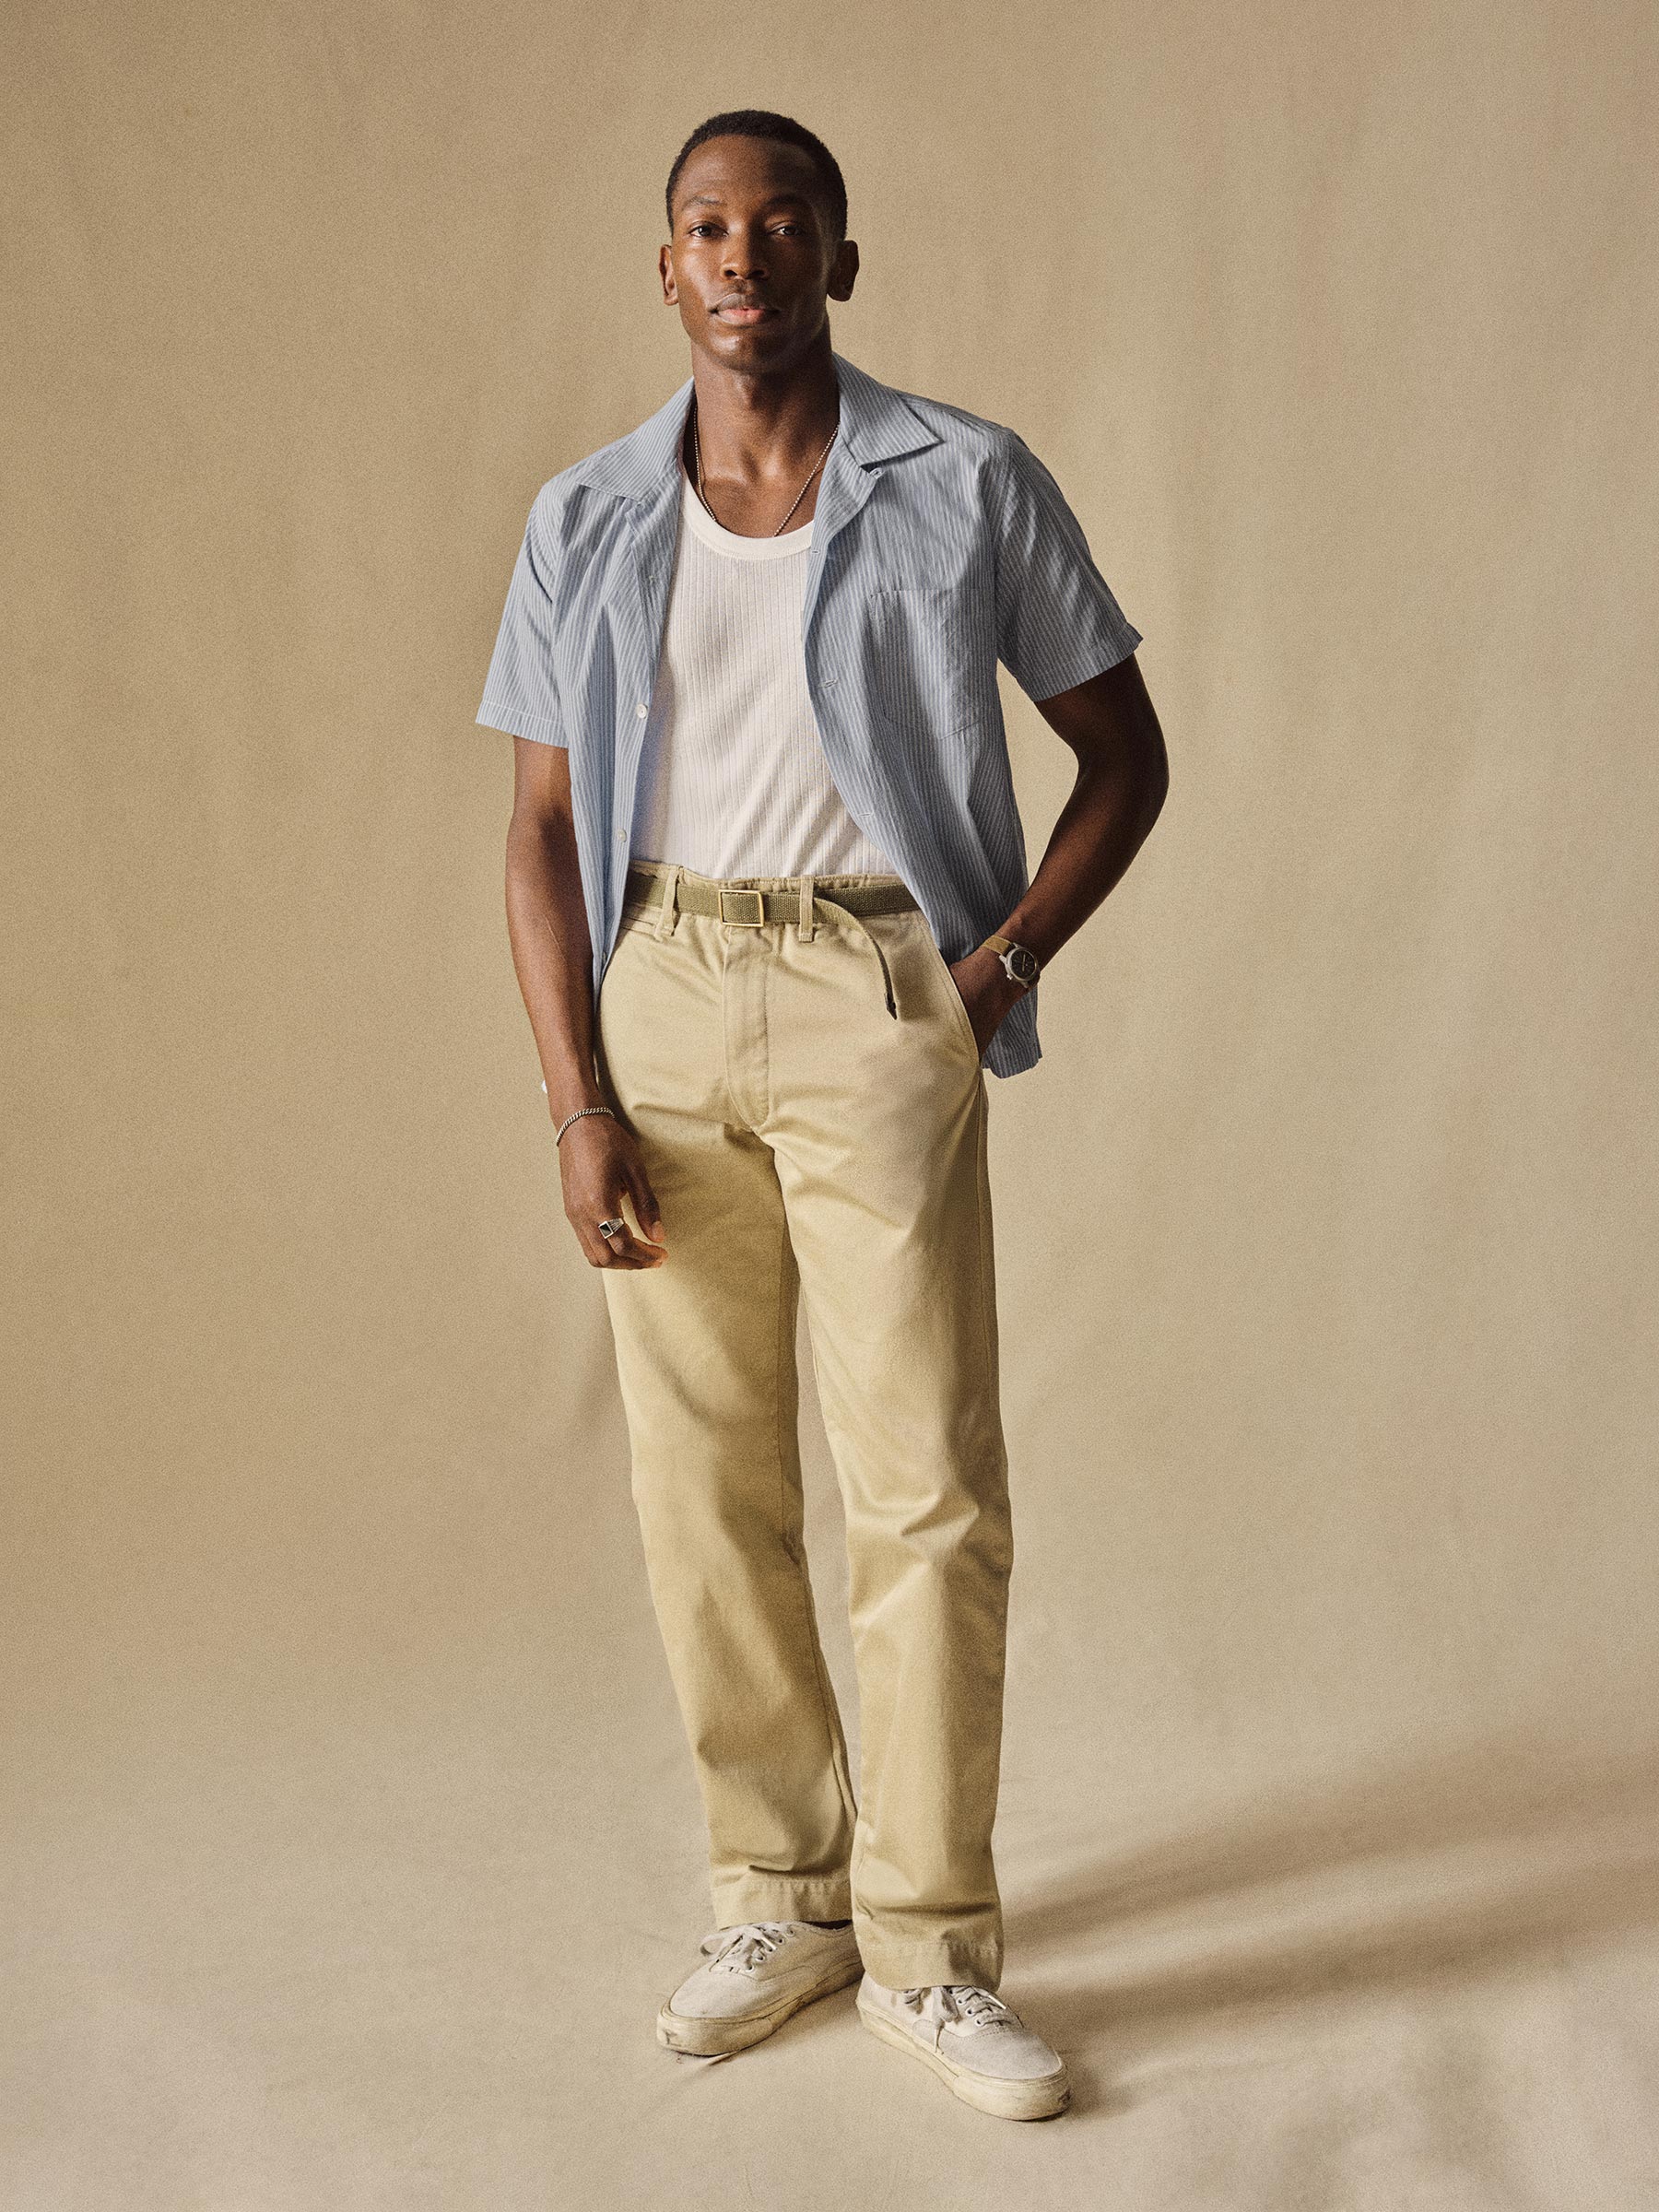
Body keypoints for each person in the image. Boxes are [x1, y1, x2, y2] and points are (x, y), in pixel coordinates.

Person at [477, 107, 1167, 2123]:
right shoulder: (586, 517)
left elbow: (1126, 754)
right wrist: (575, 1102)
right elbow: (535, 832)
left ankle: (933, 1947)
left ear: (840, 262)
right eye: (709, 226)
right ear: (666, 268)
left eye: (784, 224)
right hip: (663, 989)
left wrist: (994, 970)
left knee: (926, 1481)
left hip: (881, 988)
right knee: (702, 1485)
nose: (745, 256)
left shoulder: (966, 481)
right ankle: (779, 1896)